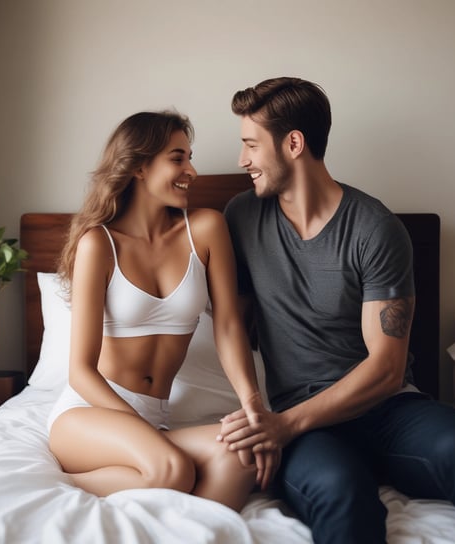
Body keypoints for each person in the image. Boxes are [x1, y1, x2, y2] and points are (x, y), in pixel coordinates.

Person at [218, 77, 455, 542]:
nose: (242, 160)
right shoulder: (240, 218)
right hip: (309, 429)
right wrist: (258, 410)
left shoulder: (374, 227)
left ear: (294, 144)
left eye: (250, 145)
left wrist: (283, 426)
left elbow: (386, 369)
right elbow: (232, 323)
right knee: (340, 489)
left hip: (388, 411)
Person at [47, 110, 276, 512]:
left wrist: (252, 404)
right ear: (139, 165)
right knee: (172, 469)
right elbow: (80, 371)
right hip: (90, 415)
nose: (192, 170)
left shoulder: (205, 228)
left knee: (240, 459)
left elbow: (226, 326)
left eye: (189, 157)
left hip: (154, 420)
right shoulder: (97, 244)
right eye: (177, 158)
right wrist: (136, 426)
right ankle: (58, 485)